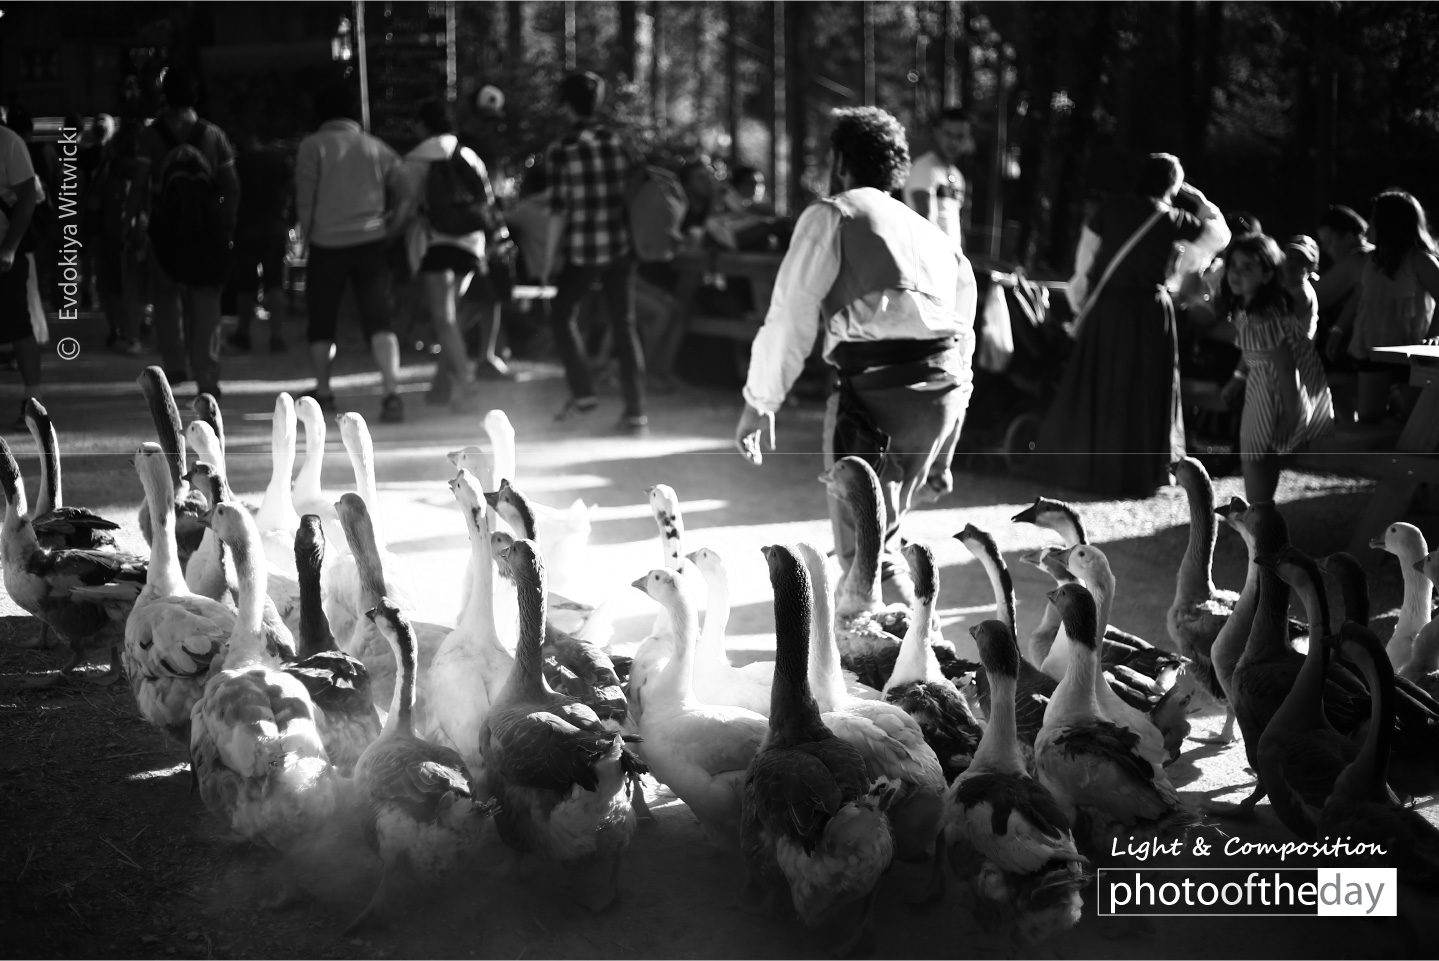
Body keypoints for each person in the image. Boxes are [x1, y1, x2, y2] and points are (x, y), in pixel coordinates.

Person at [734, 105, 977, 605]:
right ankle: (909, 652)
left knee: (864, 554)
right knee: (882, 541)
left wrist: (760, 403)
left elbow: (791, 314)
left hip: (874, 395)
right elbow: (964, 344)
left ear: (841, 161)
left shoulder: (834, 214)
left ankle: (900, 662)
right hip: (940, 396)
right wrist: (946, 451)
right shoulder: (935, 236)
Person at [1032, 152, 1229, 498]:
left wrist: (1083, 305)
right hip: (1149, 316)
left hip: (1107, 311)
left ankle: (1083, 470)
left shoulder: (1109, 208)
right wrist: (1200, 203)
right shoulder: (1175, 219)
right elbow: (1218, 236)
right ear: (1174, 185)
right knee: (1143, 390)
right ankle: (1138, 474)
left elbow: (1085, 263)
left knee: (1099, 384)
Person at [539, 70, 648, 434]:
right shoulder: (619, 142)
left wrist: (547, 260)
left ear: (566, 104)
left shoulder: (562, 149)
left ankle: (584, 393)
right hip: (620, 247)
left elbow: (557, 211)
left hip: (583, 250)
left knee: (562, 312)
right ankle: (636, 414)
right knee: (624, 324)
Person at [294, 80, 407, 422]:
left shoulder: (312, 146)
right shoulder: (376, 147)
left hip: (327, 245)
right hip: (372, 244)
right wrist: (392, 224)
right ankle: (391, 393)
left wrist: (304, 238)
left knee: (322, 322)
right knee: (380, 320)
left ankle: (324, 392)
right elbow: (407, 189)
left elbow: (305, 198)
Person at [128, 66, 240, 399]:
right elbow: (231, 186)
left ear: (165, 97)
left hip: (165, 230)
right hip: (208, 232)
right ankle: (207, 378)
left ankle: (174, 367)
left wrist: (133, 222)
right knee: (206, 301)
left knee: (166, 298)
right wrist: (227, 225)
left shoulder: (151, 136)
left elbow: (138, 185)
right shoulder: (213, 135)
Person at [398, 98, 504, 411]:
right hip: (471, 243)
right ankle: (441, 386)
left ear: (422, 126)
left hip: (437, 243)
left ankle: (468, 388)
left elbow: (406, 206)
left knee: (444, 320)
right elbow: (487, 200)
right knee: (451, 319)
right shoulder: (468, 155)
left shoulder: (417, 159)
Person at [1216, 233, 1334, 505]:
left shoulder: (1264, 316)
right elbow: (1252, 352)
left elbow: (1286, 366)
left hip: (1274, 391)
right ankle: (1263, 513)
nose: (1237, 273)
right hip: (1263, 384)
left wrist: (1291, 417)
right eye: (1234, 265)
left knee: (1254, 454)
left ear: (1268, 275)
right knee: (1261, 453)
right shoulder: (1250, 309)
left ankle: (1260, 513)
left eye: (1248, 268)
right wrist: (1237, 379)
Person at [1329, 190, 1439, 424]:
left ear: (1390, 224)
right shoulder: (1370, 261)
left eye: (1373, 219)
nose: (1368, 225)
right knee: (1369, 415)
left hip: (1410, 353)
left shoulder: (1419, 260)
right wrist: (1338, 330)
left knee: (1414, 420)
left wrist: (1433, 336)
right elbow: (1361, 296)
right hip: (1372, 347)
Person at [228, 131, 294, 354]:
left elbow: (228, 194)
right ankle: (277, 336)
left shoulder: (239, 163)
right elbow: (290, 190)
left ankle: (243, 334)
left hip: (246, 228)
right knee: (275, 282)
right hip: (274, 226)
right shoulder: (278, 161)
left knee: (246, 283)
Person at [0, 121, 43, 428]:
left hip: (3, 252)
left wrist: (9, 248)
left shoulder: (8, 142)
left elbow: (28, 198)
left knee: (17, 326)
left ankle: (33, 403)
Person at [902, 106, 976, 251]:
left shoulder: (958, 176)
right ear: (936, 133)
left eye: (960, 136)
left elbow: (955, 226)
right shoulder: (923, 168)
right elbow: (926, 222)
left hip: (949, 264)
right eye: (948, 134)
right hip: (928, 263)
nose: (954, 142)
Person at [1281, 234, 1321, 339]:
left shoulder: (1302, 293)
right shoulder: (1285, 287)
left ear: (1311, 267)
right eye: (1289, 257)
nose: (1292, 263)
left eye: (1300, 260)